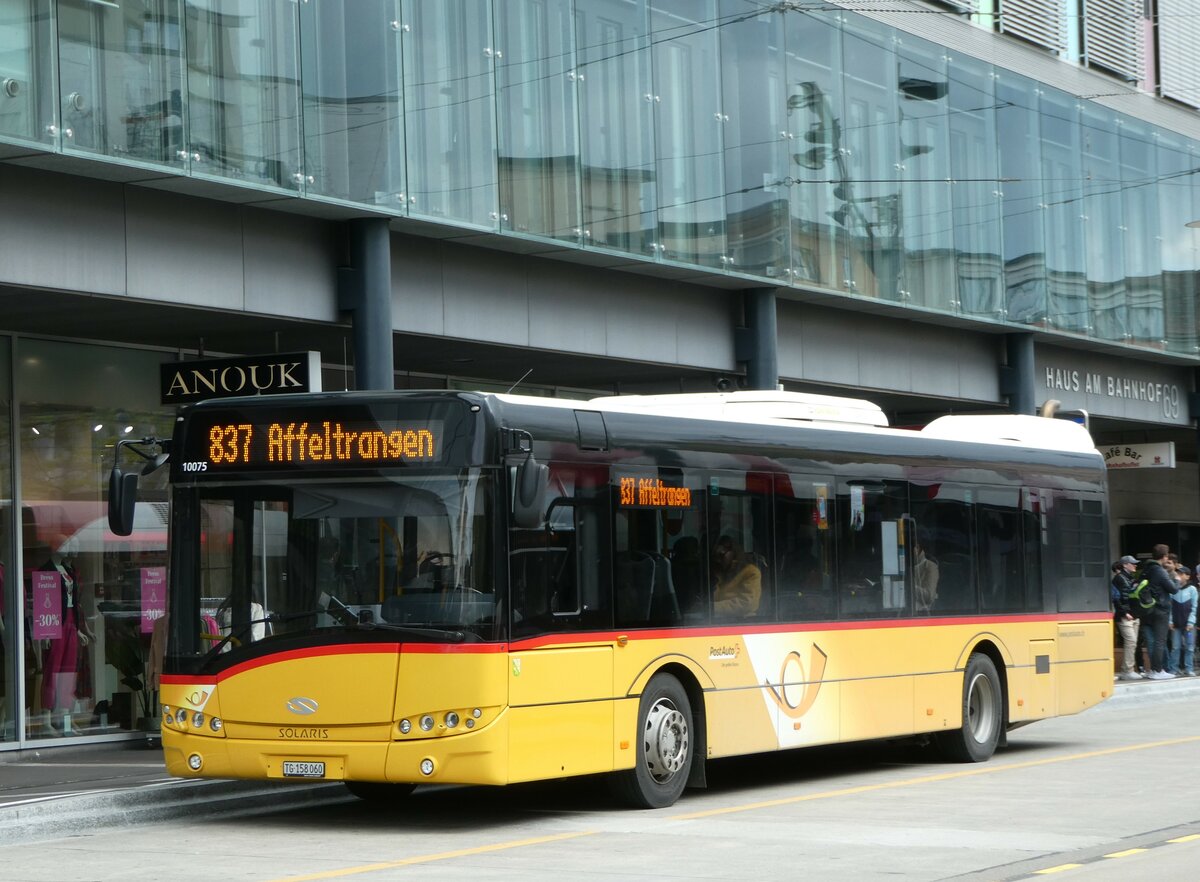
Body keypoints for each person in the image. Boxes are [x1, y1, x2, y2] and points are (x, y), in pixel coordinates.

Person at [1140, 544, 1178, 679]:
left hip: (1146, 609)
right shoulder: (1160, 571)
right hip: (1160, 610)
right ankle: (1157, 670)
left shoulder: (1145, 569)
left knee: (1151, 641)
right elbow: (1173, 589)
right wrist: (1176, 580)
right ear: (1164, 556)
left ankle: (1152, 670)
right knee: (1159, 641)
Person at [711, 535, 762, 617]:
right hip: (718, 620)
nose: (718, 560)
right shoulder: (717, 572)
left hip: (743, 622)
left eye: (722, 555)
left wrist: (711, 607)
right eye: (716, 556)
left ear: (733, 552)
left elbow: (747, 603)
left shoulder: (751, 572)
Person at [1111, 555, 1142, 680]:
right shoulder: (1119, 579)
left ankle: (1129, 669)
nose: (1135, 565)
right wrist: (1125, 613)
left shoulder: (1129, 578)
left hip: (1133, 615)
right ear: (1125, 565)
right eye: (1132, 563)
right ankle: (1127, 670)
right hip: (1126, 616)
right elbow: (1117, 599)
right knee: (1131, 641)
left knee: (1132, 643)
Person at [1167, 564, 1196, 676]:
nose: (1179, 576)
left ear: (1187, 576)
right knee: (1175, 647)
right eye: (1178, 573)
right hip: (1176, 624)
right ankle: (1174, 668)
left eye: (1181, 574)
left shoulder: (1192, 589)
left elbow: (1194, 607)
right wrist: (1170, 621)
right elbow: (1170, 607)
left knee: (1189, 646)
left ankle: (1189, 668)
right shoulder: (1174, 589)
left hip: (1188, 625)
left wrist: (1191, 622)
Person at [913, 537, 940, 614]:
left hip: (921, 613)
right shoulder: (904, 566)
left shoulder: (930, 566)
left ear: (917, 548)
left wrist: (909, 587)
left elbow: (928, 596)